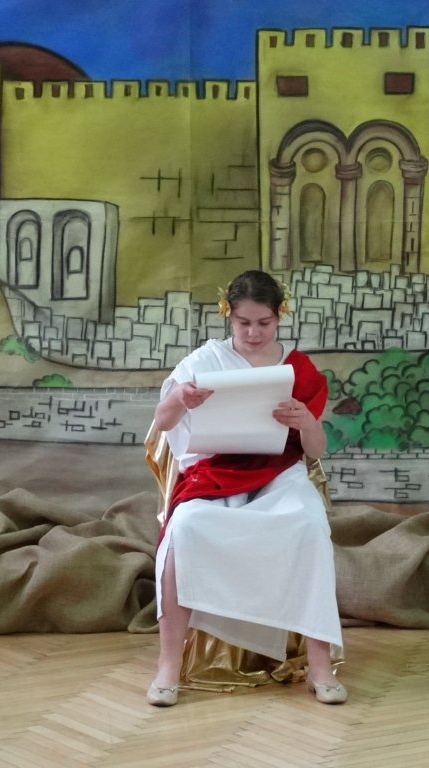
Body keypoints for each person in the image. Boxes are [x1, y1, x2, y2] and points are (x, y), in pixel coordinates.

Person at [146, 270, 346, 706]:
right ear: (228, 316)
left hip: (279, 474)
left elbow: (315, 450)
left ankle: (320, 666)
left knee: (310, 525)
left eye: (263, 323)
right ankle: (168, 665)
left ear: (279, 317)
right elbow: (162, 422)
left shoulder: (298, 368)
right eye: (243, 323)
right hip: (214, 472)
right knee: (184, 530)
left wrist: (305, 421)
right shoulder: (205, 362)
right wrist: (180, 398)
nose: (253, 333)